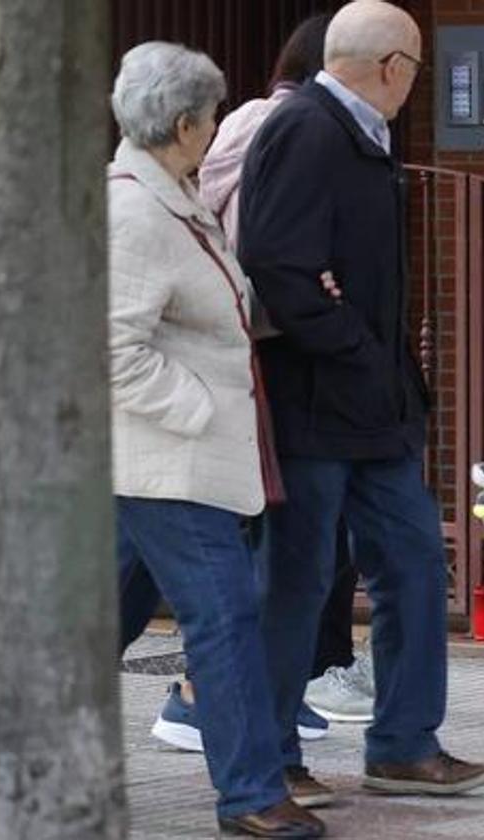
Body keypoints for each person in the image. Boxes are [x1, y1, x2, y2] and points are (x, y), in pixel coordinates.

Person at [239, 0, 484, 795]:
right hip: (315, 406)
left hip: (374, 407)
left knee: (414, 565)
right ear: (392, 67)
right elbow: (277, 261)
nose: (414, 85)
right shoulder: (306, 127)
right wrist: (349, 343)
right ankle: (273, 756)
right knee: (298, 582)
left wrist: (382, 370)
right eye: (415, 68)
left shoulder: (362, 133)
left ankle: (404, 744)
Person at [109, 42, 324, 838]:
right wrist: (197, 405)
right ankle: (252, 796)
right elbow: (108, 349)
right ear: (184, 122)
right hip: (166, 460)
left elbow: (212, 309)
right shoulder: (133, 210)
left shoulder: (175, 195)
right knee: (226, 620)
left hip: (159, 463)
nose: (217, 128)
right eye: (210, 116)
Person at [148, 12, 374, 759]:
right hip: (243, 368)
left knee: (279, 541)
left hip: (253, 358)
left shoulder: (273, 128)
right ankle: (198, 700)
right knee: (242, 552)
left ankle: (254, 701)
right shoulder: (271, 123)